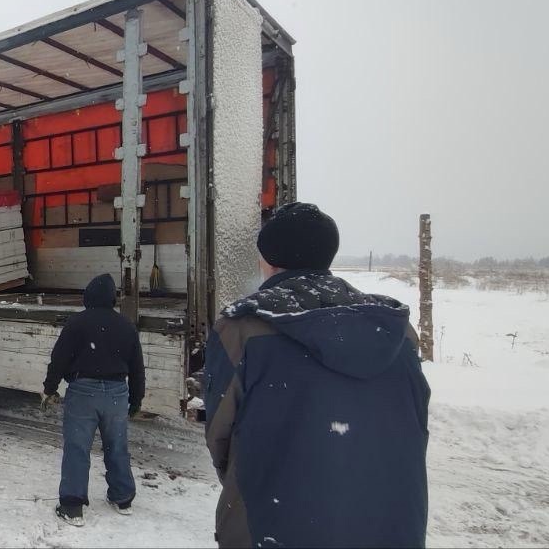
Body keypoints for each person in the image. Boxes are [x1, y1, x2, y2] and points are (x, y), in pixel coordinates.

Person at [202, 202, 430, 548]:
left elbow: (220, 436)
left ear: (268, 259)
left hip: (274, 525)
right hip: (390, 527)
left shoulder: (242, 330)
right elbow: (414, 425)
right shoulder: (395, 330)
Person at [42, 273, 146, 527]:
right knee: (117, 446)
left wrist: (50, 388)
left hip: (83, 392)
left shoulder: (77, 323)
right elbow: (137, 368)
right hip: (117, 394)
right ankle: (122, 498)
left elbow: (59, 358)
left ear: (88, 296)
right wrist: (136, 400)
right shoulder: (126, 326)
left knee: (77, 448)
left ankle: (72, 507)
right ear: (112, 298)